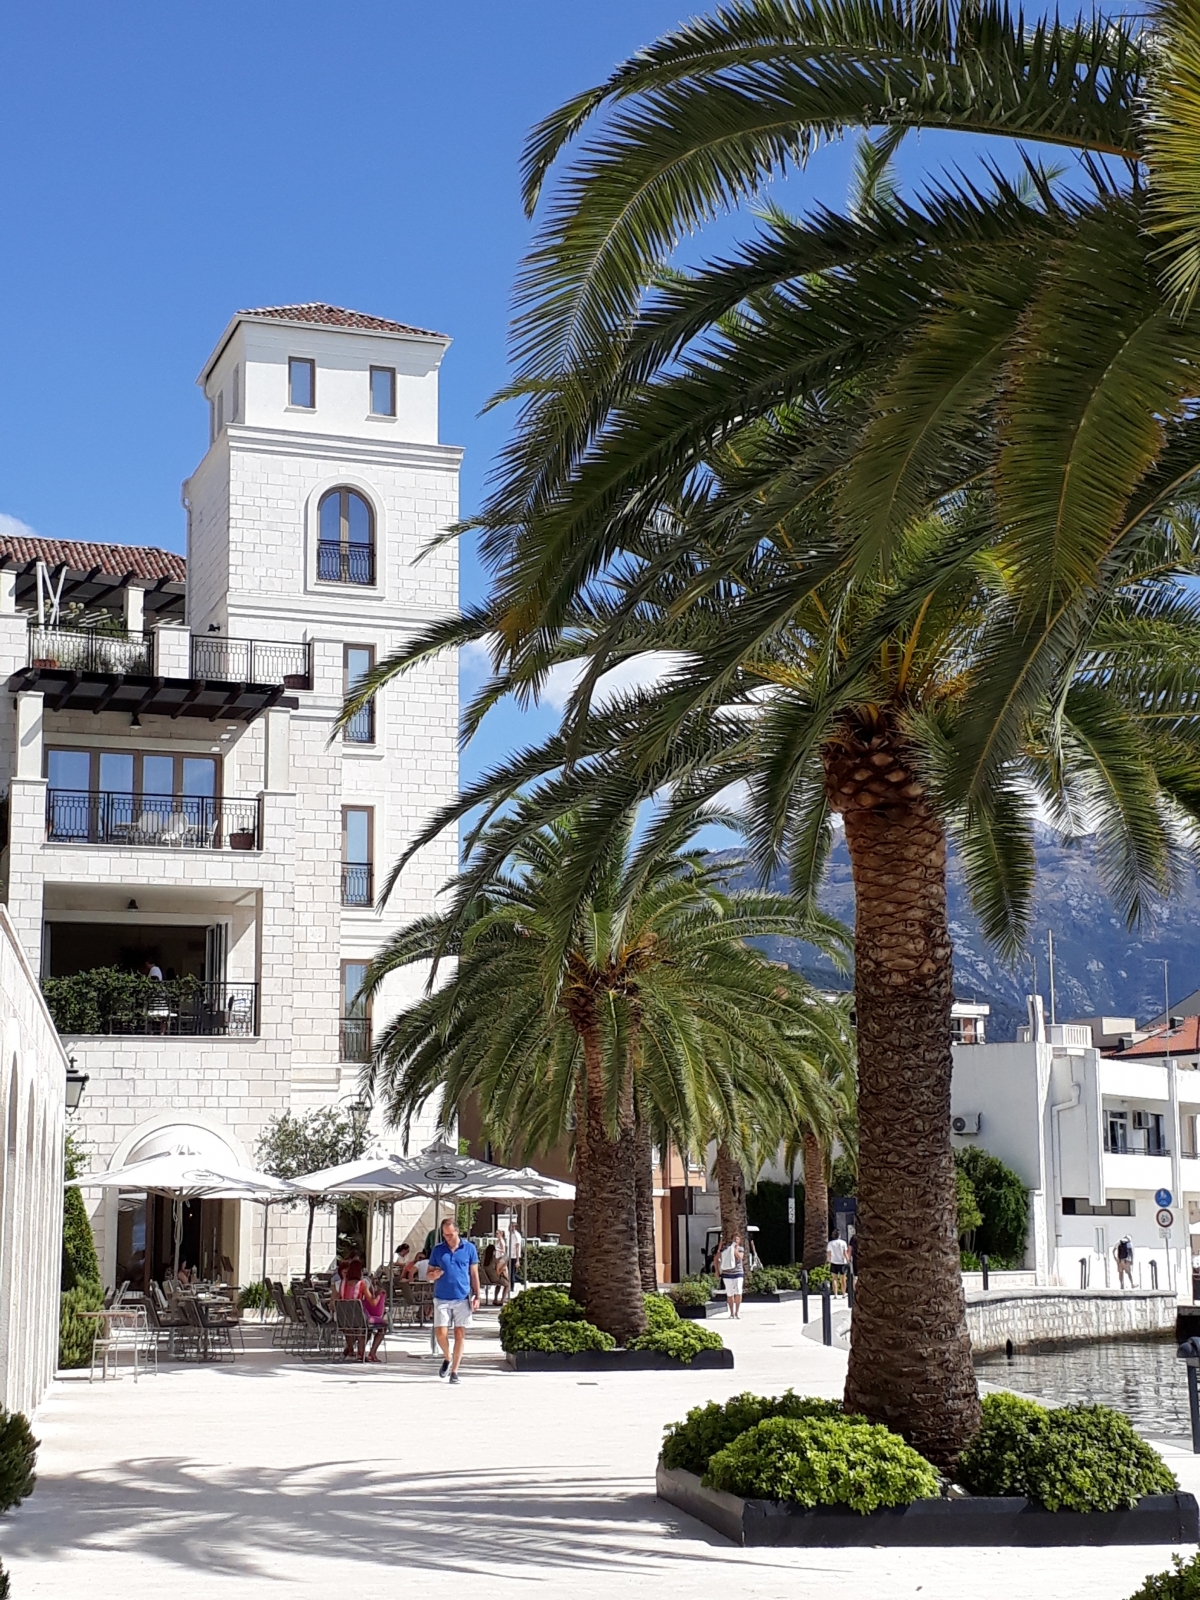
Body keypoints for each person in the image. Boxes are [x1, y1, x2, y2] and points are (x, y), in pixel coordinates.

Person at [428, 1216, 480, 1384]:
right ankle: (447, 1357)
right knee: (440, 1333)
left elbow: (474, 1274)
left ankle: (455, 1372)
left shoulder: (469, 1248)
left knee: (459, 1333)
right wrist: (434, 1275)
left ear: (457, 1232)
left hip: (462, 1296)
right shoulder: (438, 1250)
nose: (448, 1238)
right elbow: (428, 1274)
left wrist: (477, 1295)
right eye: (445, 1235)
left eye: (450, 1234)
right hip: (442, 1296)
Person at [337, 1256, 367, 1360]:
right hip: (357, 1316)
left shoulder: (342, 1284)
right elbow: (371, 1300)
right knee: (363, 1330)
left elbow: (339, 1299)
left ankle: (350, 1350)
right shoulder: (361, 1284)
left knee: (348, 1329)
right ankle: (361, 1353)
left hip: (344, 1317)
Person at [718, 1234, 745, 1318]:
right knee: (729, 1293)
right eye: (734, 1239)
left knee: (738, 1291)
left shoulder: (740, 1249)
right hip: (727, 1274)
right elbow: (719, 1256)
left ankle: (737, 1312)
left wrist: (735, 1249)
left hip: (738, 1273)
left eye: (737, 1239)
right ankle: (732, 1313)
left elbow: (739, 1257)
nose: (736, 1241)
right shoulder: (726, 1249)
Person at [362, 1274, 388, 1362]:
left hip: (359, 1317)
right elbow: (374, 1303)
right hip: (367, 1317)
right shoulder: (365, 1289)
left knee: (367, 1330)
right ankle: (372, 1353)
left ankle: (360, 1352)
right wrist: (379, 1295)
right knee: (384, 1326)